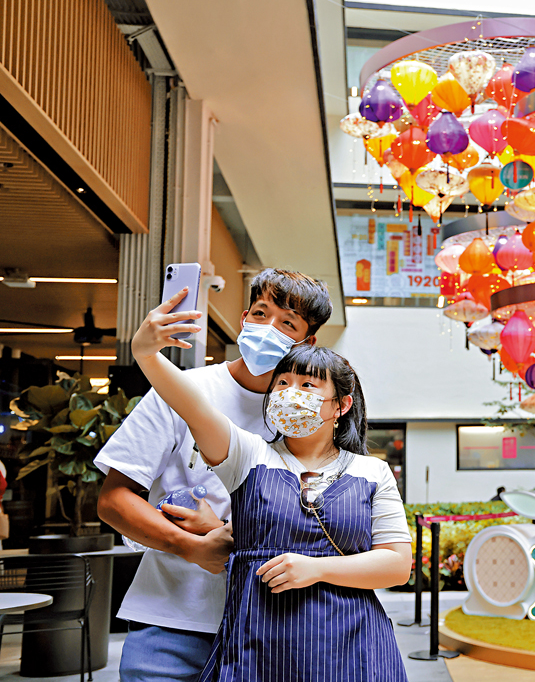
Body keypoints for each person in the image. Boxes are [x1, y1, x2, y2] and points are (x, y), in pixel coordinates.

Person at [131, 289, 411, 681]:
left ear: (340, 406)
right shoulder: (248, 455)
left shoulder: (371, 472)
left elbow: (397, 565)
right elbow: (190, 404)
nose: (290, 394)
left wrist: (316, 569)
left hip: (353, 644)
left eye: (308, 387)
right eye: (282, 384)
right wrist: (147, 355)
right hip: (259, 643)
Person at [95, 269, 333, 682]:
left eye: (287, 323)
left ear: (307, 341)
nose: (268, 328)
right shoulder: (180, 390)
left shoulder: (310, 416)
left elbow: (324, 527)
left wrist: (227, 531)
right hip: (170, 620)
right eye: (261, 313)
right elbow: (114, 500)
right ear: (243, 318)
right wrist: (192, 546)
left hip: (273, 625)